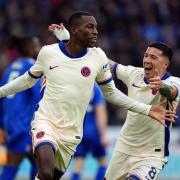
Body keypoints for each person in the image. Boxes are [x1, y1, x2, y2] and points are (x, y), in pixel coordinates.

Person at [0, 11, 175, 180]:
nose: (95, 31)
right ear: (75, 29)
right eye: (90, 27)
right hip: (45, 122)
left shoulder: (98, 57)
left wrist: (148, 108)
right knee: (45, 173)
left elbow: (112, 94)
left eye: (96, 27)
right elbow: (27, 80)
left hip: (72, 133)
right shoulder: (48, 53)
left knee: (50, 176)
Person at [104, 42, 180, 180]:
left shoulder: (174, 82)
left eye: (153, 57)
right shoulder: (134, 74)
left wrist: (161, 85)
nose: (147, 60)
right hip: (123, 148)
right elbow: (107, 64)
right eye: (146, 55)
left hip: (151, 155)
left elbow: (172, 92)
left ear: (166, 64)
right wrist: (71, 41)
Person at [0, 36, 41, 180]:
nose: (39, 49)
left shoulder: (9, 69)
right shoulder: (33, 68)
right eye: (36, 46)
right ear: (31, 49)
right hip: (26, 126)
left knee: (15, 164)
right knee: (41, 167)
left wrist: (2, 127)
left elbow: (2, 99)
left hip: (10, 125)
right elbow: (40, 97)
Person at [71, 83, 108, 180]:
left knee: (78, 163)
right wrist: (103, 135)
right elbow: (100, 112)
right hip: (94, 131)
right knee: (102, 161)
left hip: (78, 131)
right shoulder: (94, 87)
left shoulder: (74, 86)